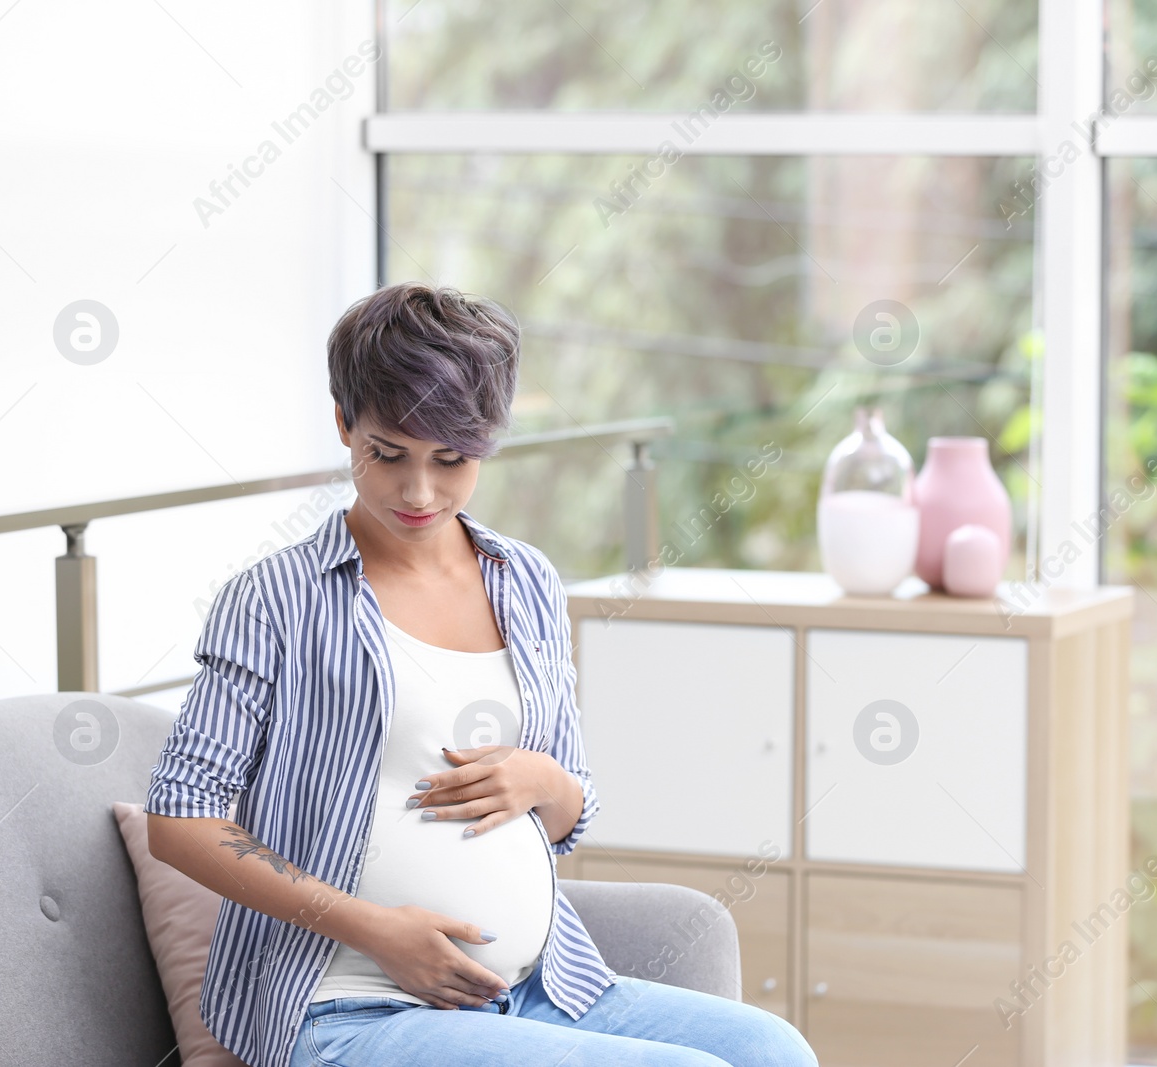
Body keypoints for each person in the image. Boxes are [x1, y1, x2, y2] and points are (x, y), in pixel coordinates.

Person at [144, 281, 819, 1067]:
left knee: (774, 1050)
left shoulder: (523, 579)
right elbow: (179, 817)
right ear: (343, 424)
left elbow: (570, 814)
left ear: (490, 441)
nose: (419, 490)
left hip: (539, 986)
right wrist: (374, 927)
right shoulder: (274, 600)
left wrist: (542, 778)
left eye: (452, 459)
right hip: (346, 1001)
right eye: (387, 454)